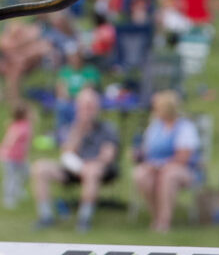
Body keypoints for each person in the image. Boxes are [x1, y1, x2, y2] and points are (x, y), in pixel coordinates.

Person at [31, 90, 118, 229]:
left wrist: (91, 164)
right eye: (83, 107)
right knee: (40, 167)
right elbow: (67, 153)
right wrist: (79, 131)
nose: (86, 111)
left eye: (90, 107)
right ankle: (45, 216)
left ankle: (84, 219)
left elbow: (108, 156)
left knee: (91, 171)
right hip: (72, 169)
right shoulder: (72, 127)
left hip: (97, 169)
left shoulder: (107, 129)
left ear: (97, 108)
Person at [131, 89, 204, 232]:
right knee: (141, 174)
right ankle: (156, 215)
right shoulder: (155, 126)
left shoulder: (185, 127)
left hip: (183, 169)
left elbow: (183, 157)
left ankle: (165, 220)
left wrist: (161, 165)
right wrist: (140, 157)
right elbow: (147, 151)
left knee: (168, 175)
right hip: (156, 167)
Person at [0, 106, 33, 210]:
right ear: (24, 114)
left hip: (20, 157)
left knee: (27, 174)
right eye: (30, 112)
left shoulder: (27, 125)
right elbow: (10, 139)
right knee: (10, 177)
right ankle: (8, 198)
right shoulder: (17, 127)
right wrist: (9, 146)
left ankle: (18, 189)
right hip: (9, 157)